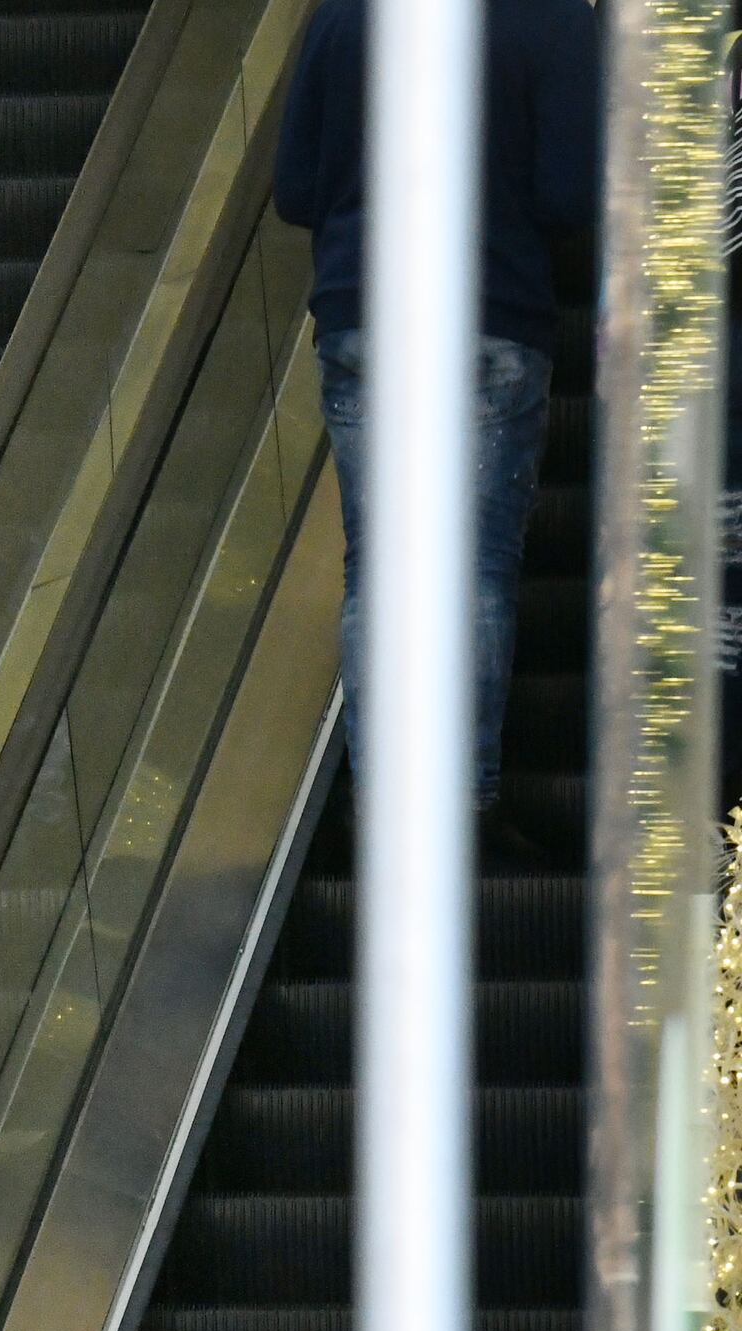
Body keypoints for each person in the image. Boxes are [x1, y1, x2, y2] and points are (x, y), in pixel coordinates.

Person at [272, 0, 593, 858]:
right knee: (475, 568)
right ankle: (464, 808)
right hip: (487, 314)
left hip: (364, 316)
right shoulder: (552, 18)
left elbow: (295, 191)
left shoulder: (341, 17)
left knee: (375, 567)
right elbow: (572, 192)